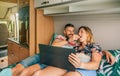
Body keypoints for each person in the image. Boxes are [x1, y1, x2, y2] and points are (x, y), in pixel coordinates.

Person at [12, 24, 115, 76]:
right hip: (66, 65)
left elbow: (95, 64)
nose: (78, 34)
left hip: (83, 68)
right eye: (78, 32)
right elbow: (55, 46)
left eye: (81, 32)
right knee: (37, 74)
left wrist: (81, 65)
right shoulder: (75, 46)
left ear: (88, 34)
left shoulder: (94, 46)